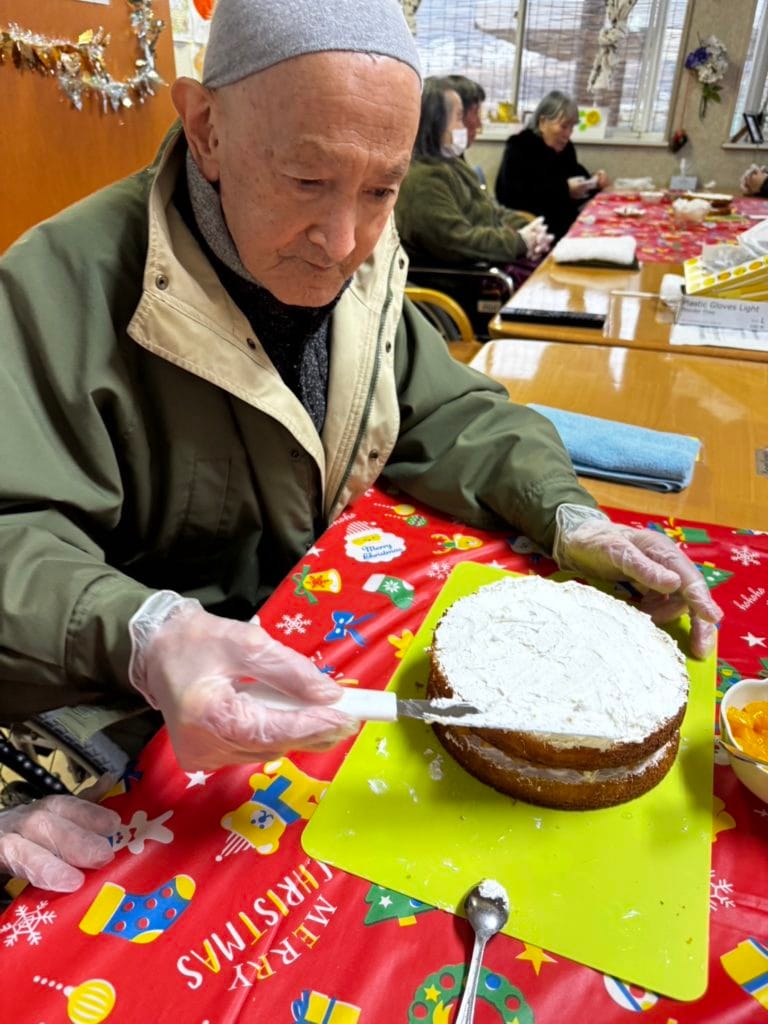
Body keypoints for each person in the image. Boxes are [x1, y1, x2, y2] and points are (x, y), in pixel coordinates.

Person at [0, 0, 721, 890]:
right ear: (207, 127)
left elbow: (448, 411)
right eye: (307, 181)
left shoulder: (365, 269)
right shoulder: (51, 291)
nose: (343, 243)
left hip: (302, 663)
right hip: (122, 710)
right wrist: (143, 632)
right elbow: (12, 533)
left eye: (382, 190)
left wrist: (570, 514)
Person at [395, 77, 553, 274]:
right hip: (464, 279)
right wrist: (520, 242)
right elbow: (456, 241)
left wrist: (530, 229)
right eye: (459, 117)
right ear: (436, 123)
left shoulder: (452, 163)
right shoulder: (422, 180)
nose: (468, 126)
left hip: (486, 264)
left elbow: (491, 211)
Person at [495, 90, 609, 240]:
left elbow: (577, 180)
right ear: (543, 122)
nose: (568, 134)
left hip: (565, 226)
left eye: (572, 127)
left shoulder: (566, 149)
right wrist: (564, 190)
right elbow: (512, 197)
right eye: (564, 126)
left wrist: (594, 182)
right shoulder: (519, 147)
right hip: (535, 232)